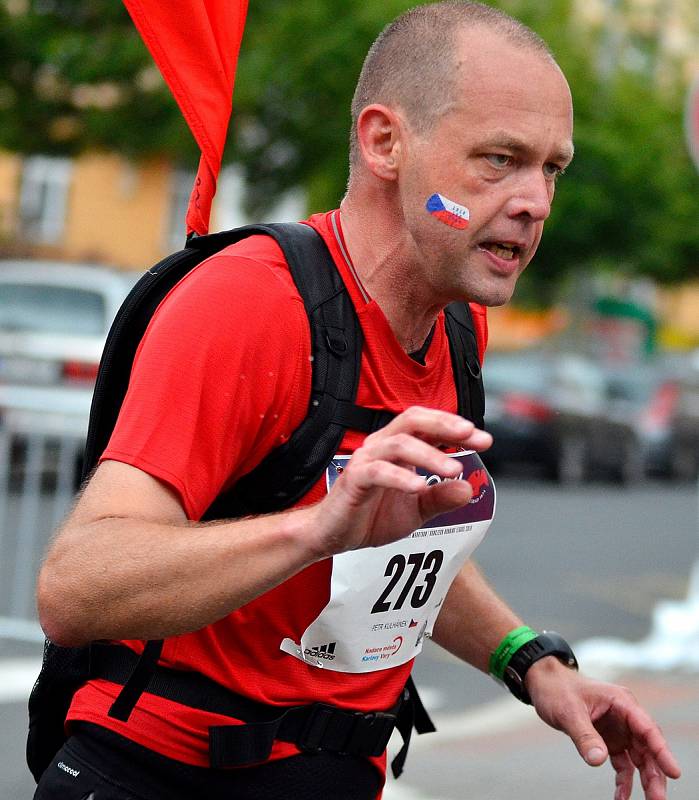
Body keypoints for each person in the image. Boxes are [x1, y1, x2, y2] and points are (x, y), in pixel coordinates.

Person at [34, 2, 681, 799]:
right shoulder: (249, 306)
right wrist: (315, 530)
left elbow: (400, 548)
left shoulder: (458, 325)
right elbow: (75, 589)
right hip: (163, 772)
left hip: (339, 774)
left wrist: (530, 663)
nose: (535, 201)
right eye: (499, 159)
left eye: (551, 167)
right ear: (384, 143)